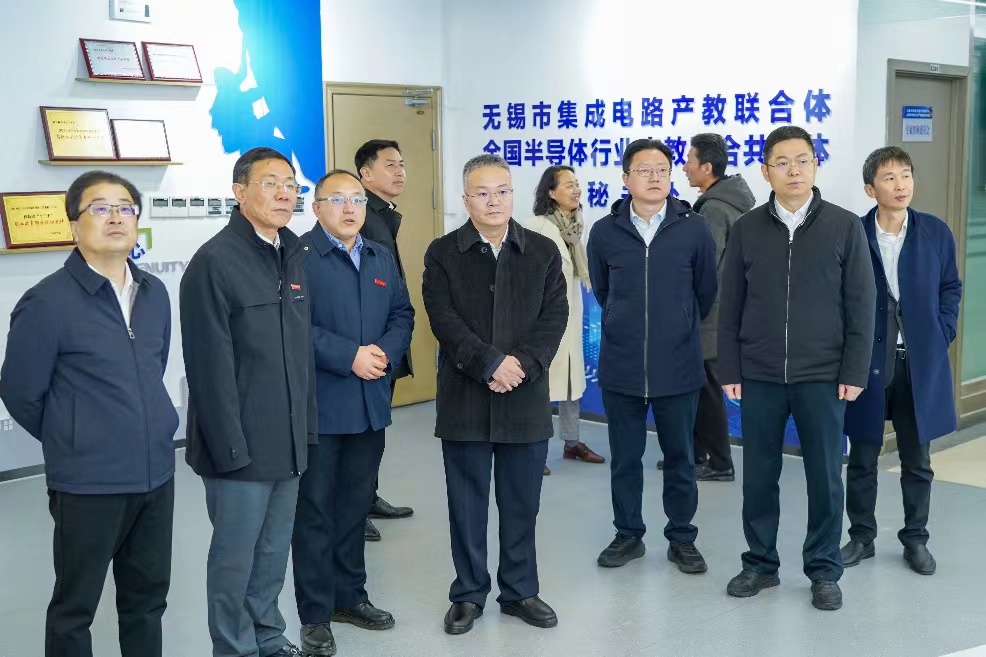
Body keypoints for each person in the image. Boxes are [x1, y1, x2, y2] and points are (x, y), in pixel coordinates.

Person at [0, 172, 178, 657]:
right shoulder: (47, 301)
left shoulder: (154, 292)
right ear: (74, 225)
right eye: (100, 208)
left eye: (125, 207)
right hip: (88, 483)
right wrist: (75, 435)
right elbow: (20, 392)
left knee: (147, 602)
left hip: (156, 476)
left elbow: (153, 368)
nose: (115, 217)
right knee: (75, 610)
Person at [717, 126, 876, 611]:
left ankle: (824, 569)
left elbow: (861, 305)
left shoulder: (844, 226)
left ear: (815, 165)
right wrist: (730, 368)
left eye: (802, 160)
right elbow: (730, 305)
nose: (793, 170)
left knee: (825, 477)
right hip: (760, 373)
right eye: (782, 162)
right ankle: (760, 564)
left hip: (823, 376)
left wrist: (854, 371)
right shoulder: (747, 228)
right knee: (759, 476)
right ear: (765, 171)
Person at [422, 154, 567, 636]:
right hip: (465, 398)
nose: (493, 201)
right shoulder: (443, 253)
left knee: (522, 502)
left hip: (524, 396)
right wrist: (488, 363)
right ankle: (468, 593)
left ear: (513, 194)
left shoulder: (542, 251)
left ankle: (520, 590)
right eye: (482, 193)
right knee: (466, 504)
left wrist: (519, 366)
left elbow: (554, 317)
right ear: (466, 199)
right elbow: (443, 319)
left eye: (502, 191)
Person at [180, 147, 317, 657]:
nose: (284, 194)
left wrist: (305, 432)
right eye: (271, 183)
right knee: (235, 559)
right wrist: (230, 450)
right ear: (240, 192)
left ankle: (269, 638)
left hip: (287, 442)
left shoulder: (293, 253)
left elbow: (300, 356)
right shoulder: (214, 263)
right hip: (238, 447)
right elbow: (208, 370)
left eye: (291, 185)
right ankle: (235, 649)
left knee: (273, 552)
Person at [292, 170, 414, 656]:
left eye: (357, 200)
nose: (349, 209)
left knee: (354, 509)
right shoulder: (298, 257)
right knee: (316, 513)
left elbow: (402, 314)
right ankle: (315, 615)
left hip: (369, 407)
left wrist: (382, 352)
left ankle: (350, 597)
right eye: (337, 199)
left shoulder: (379, 255)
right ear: (316, 206)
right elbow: (292, 325)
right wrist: (350, 356)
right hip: (321, 407)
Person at [587, 139, 718, 574]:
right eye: (644, 170)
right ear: (626, 179)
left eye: (662, 169)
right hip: (621, 366)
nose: (654, 176)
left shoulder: (694, 228)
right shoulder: (605, 232)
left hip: (678, 366)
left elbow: (705, 291)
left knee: (680, 458)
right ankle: (628, 534)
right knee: (625, 459)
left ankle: (682, 538)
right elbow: (603, 290)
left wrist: (677, 324)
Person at [842, 146, 962, 576]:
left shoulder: (934, 232)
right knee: (862, 456)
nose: (900, 185)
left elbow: (950, 287)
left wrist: (942, 331)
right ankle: (861, 537)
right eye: (889, 177)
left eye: (906, 175)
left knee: (917, 459)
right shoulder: (853, 233)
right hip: (867, 363)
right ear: (870, 188)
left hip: (918, 363)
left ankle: (915, 539)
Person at [670, 132, 757, 481]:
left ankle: (720, 462)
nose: (684, 168)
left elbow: (704, 267)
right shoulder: (727, 202)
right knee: (698, 387)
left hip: (709, 315)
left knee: (706, 390)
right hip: (719, 313)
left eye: (689, 161)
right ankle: (694, 454)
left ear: (706, 167)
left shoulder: (714, 210)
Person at [521, 165, 604, 476]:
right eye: (569, 185)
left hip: (570, 317)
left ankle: (572, 442)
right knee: (543, 384)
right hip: (544, 320)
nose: (576, 189)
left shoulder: (576, 226)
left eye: (577, 184)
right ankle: (534, 448)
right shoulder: (535, 226)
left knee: (571, 384)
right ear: (551, 192)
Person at [355, 139, 415, 541]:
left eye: (402, 164)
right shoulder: (364, 216)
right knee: (363, 434)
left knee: (376, 429)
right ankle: (355, 509)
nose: (399, 171)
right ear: (366, 173)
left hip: (384, 343)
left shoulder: (383, 215)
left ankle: (369, 497)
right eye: (390, 164)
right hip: (368, 348)